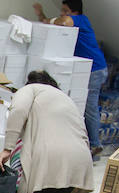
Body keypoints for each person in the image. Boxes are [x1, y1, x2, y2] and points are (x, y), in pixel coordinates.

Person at [33, 0, 108, 158]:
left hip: (94, 69)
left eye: (65, 10)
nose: (62, 13)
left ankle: (95, 145)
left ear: (75, 12)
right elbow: (54, 22)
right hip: (84, 68)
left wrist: (53, 19)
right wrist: (41, 15)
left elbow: (64, 22)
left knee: (89, 107)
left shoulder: (82, 19)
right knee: (80, 104)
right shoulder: (73, 20)